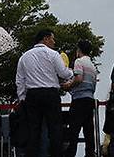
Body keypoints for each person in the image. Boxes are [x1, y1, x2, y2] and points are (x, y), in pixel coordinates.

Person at [15, 29, 73, 157]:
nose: (54, 41)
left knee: (33, 129)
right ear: (45, 39)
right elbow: (63, 73)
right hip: (50, 93)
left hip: (32, 95)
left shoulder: (24, 56)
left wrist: (22, 97)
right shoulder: (53, 54)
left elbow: (20, 79)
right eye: (52, 38)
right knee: (55, 129)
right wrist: (71, 72)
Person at [62, 40, 98, 157]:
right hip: (90, 99)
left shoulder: (79, 61)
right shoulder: (92, 66)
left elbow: (78, 78)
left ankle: (70, 153)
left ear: (79, 50)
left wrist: (68, 85)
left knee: (74, 129)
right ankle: (90, 153)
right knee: (88, 131)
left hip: (79, 100)